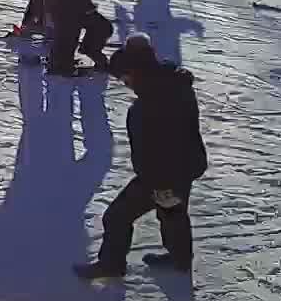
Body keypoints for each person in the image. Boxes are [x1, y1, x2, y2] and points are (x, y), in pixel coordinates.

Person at [75, 35, 208, 279]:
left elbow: (155, 150)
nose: (126, 84)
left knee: (117, 217)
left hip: (162, 175)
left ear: (136, 72)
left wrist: (160, 185)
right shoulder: (175, 83)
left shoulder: (147, 106)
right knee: (172, 214)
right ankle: (180, 259)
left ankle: (111, 265)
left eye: (125, 78)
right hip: (187, 164)